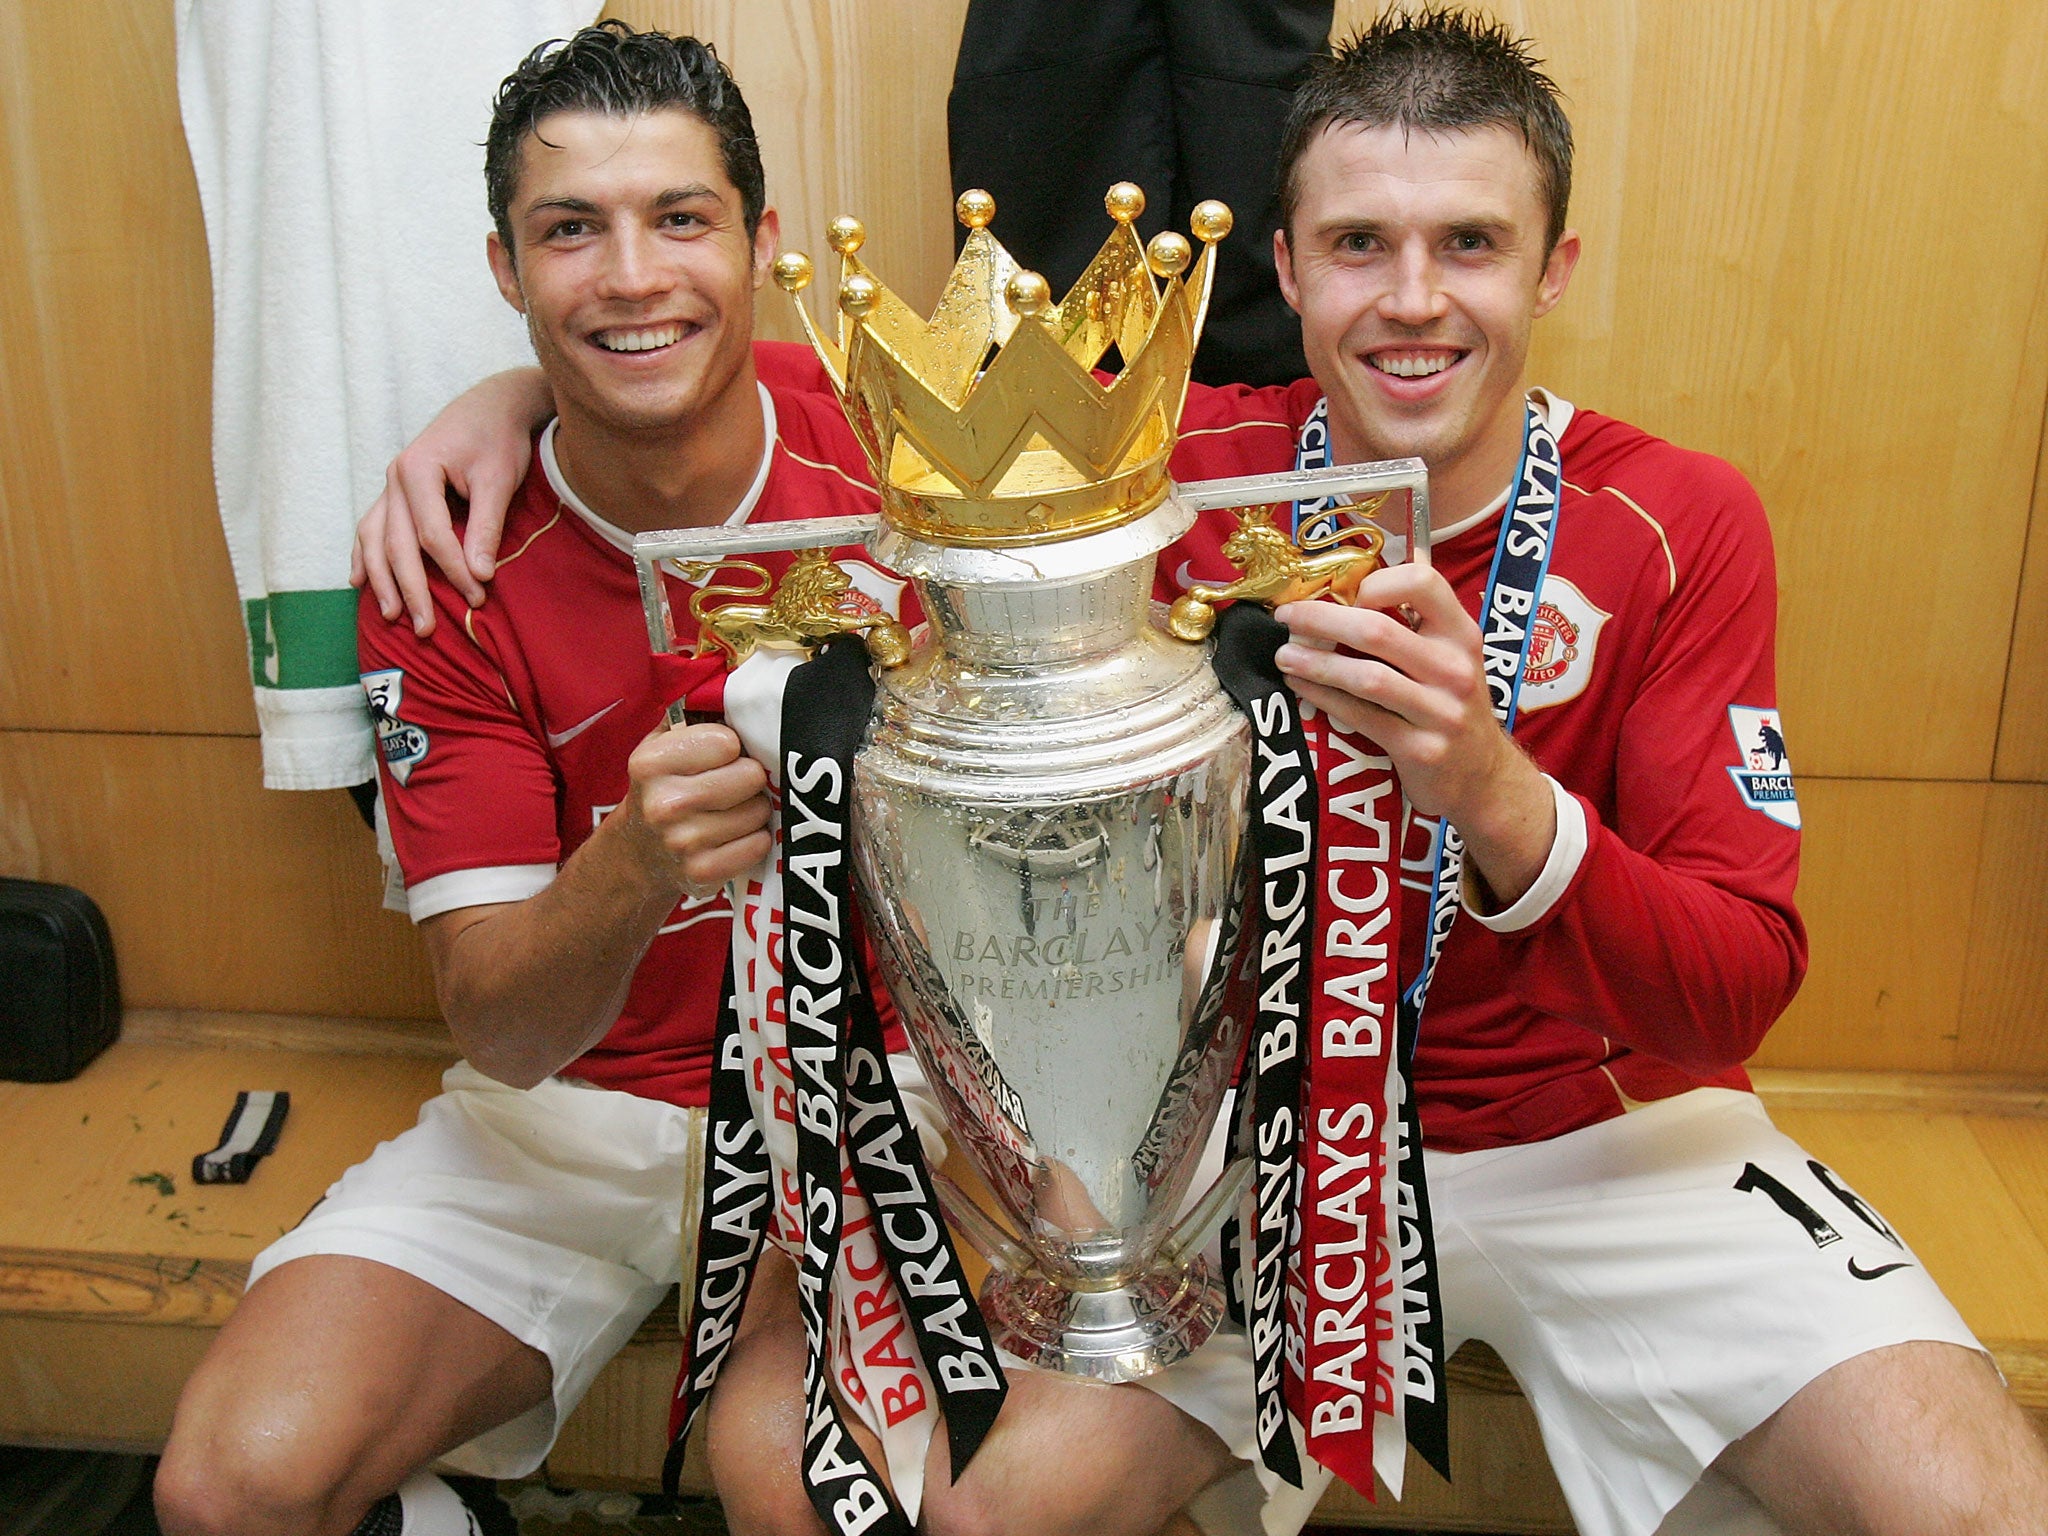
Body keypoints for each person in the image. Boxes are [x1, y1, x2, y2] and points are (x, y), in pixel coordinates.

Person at [356, 12, 2048, 1536]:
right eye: (1357, 244)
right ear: (1288, 275)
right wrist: (506, 399)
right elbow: (722, 386)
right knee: (978, 1518)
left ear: (1554, 266)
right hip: (1263, 1155)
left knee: (1982, 1510)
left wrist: (1496, 792)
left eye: (1471, 243)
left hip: (1612, 1137)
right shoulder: (1166, 479)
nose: (1411, 297)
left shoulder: (1678, 517)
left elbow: (1740, 992)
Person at [160, 22, 1246, 1536]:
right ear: (503, 267)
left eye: (680, 219)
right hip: (577, 1119)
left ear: (761, 241)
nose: (630, 275)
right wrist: (628, 870)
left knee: (823, 1494)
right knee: (229, 1488)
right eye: (570, 231)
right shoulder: (438, 562)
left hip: (892, 1116)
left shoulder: (917, 454)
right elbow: (504, 1024)